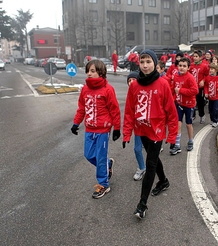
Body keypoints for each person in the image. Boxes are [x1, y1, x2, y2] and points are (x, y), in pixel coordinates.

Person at [122, 49, 178, 219]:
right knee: (153, 159)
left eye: (148, 62)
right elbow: (130, 111)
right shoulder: (135, 86)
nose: (145, 65)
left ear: (155, 64)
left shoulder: (163, 84)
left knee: (150, 164)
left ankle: (142, 204)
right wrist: (126, 133)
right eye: (142, 62)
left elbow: (171, 111)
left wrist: (172, 135)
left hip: (157, 131)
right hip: (142, 130)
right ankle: (163, 181)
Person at [71, 59, 121, 199]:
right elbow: (82, 108)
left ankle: (104, 184)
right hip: (89, 129)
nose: (89, 73)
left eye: (92, 71)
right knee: (88, 155)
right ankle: (108, 164)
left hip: (103, 130)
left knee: (99, 158)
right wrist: (76, 123)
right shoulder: (85, 89)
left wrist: (117, 128)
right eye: (88, 71)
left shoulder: (108, 89)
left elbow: (115, 110)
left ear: (101, 72)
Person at [170, 57, 199, 155]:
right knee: (178, 123)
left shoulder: (190, 77)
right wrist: (172, 99)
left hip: (189, 104)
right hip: (179, 104)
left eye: (184, 66)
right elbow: (174, 89)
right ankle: (177, 145)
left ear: (188, 67)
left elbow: (195, 90)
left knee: (188, 124)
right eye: (180, 66)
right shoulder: (176, 76)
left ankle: (190, 140)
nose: (181, 68)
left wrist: (181, 91)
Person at [126, 71, 146, 181]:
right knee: (137, 149)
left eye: (133, 80)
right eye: (129, 81)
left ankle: (156, 170)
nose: (131, 82)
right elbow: (129, 114)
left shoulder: (145, 91)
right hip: (138, 127)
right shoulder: (130, 95)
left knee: (152, 151)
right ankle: (142, 168)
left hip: (149, 127)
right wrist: (127, 132)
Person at [189, 50, 209, 124]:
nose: (194, 58)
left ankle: (202, 115)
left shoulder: (204, 66)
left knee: (200, 102)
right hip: (192, 87)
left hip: (200, 88)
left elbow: (207, 75)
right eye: (194, 56)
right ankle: (192, 115)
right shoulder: (191, 66)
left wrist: (203, 81)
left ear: (200, 57)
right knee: (192, 102)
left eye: (196, 56)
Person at [204, 62, 218, 127]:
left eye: (212, 69)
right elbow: (206, 86)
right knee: (210, 109)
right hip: (210, 96)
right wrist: (206, 93)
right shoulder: (208, 78)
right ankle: (212, 119)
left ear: (216, 70)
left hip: (217, 96)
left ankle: (215, 120)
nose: (210, 70)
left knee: (215, 109)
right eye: (210, 69)